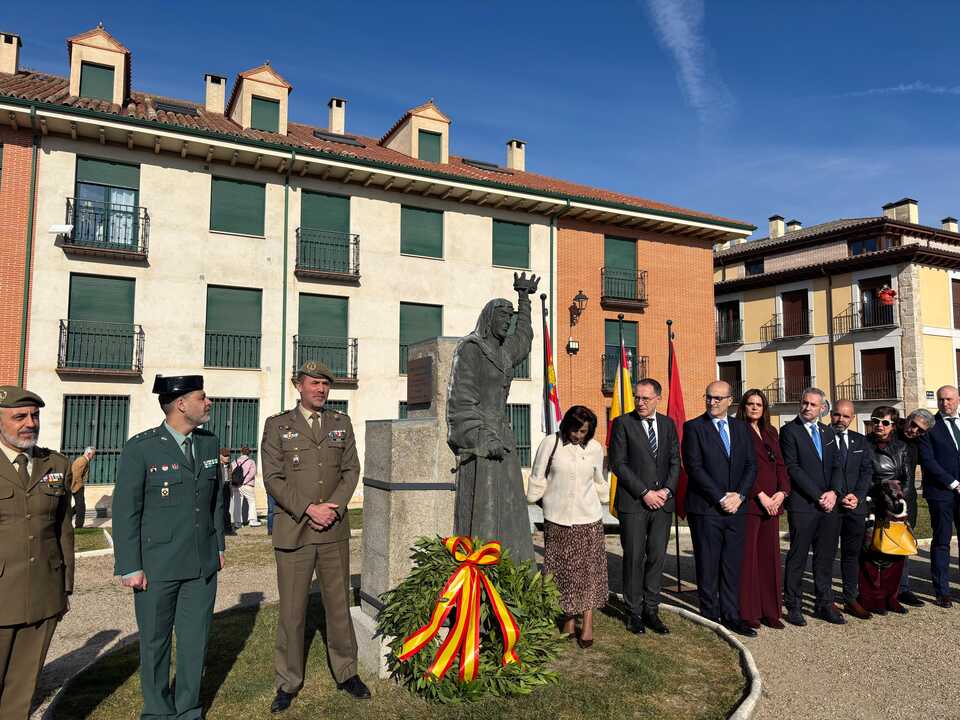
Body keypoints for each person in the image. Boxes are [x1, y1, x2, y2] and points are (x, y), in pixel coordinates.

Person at [113, 375, 225, 720]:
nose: (208, 402)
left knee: (195, 642)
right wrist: (130, 565)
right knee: (154, 643)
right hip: (157, 565)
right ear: (181, 404)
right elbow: (125, 510)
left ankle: (188, 709)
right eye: (202, 397)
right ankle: (158, 712)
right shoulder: (141, 448)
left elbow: (216, 501)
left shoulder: (208, 443)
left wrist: (218, 546)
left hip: (201, 564)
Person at [261, 361, 369, 712]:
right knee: (292, 612)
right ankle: (288, 682)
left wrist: (333, 507)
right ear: (298, 385)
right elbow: (273, 478)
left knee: (338, 607)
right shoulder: (278, 425)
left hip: (333, 529)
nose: (321, 389)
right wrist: (309, 508)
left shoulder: (341, 423)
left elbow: (351, 470)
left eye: (325, 384)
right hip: (295, 529)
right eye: (314, 383)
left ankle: (347, 673)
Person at [447, 272, 540, 565]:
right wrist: (481, 436)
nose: (507, 322)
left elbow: (523, 339)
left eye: (510, 318)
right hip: (483, 439)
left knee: (511, 508)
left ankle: (512, 573)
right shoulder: (472, 349)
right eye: (503, 316)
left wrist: (524, 300)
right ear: (489, 317)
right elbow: (462, 399)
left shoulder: (503, 352)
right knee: (485, 511)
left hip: (504, 436)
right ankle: (482, 573)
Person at [0, 386, 73, 720]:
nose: (30, 423)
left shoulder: (55, 464)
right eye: (19, 417)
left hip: (43, 592)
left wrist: (65, 587)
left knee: (21, 690)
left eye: (34, 416)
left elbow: (63, 529)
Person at [527, 406, 608, 648]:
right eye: (575, 430)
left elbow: (599, 480)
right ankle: (568, 620)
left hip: (589, 519)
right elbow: (538, 476)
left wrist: (603, 498)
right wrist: (541, 499)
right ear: (566, 426)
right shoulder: (550, 443)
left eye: (583, 432)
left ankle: (588, 623)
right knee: (563, 573)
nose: (578, 436)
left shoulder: (595, 448)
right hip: (557, 519)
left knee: (589, 572)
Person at [681, 380, 756, 637]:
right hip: (707, 509)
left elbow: (751, 465)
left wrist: (741, 496)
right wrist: (721, 497)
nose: (711, 402)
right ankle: (710, 616)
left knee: (732, 565)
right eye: (708, 397)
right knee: (708, 564)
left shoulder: (741, 428)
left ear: (729, 401)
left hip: (737, 508)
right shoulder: (694, 427)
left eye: (717, 398)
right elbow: (694, 467)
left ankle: (732, 615)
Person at [609, 378, 680, 635]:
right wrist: (645, 492)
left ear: (658, 398)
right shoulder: (622, 423)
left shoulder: (668, 424)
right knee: (634, 557)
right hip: (634, 503)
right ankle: (633, 612)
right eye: (637, 397)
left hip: (663, 504)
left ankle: (651, 609)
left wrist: (667, 491)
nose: (640, 402)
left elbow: (675, 461)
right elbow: (618, 464)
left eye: (646, 398)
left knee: (657, 558)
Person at [780, 387, 845, 626]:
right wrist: (819, 495)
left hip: (829, 505)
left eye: (813, 405)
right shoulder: (789, 431)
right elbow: (793, 468)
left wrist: (834, 493)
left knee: (825, 557)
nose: (807, 407)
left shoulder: (827, 431)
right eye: (804, 403)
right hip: (804, 505)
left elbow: (837, 465)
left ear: (822, 408)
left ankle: (824, 603)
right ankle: (793, 605)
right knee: (798, 556)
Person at [735, 389, 789, 630]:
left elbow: (781, 465)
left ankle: (770, 610)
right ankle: (750, 611)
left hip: (774, 503)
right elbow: (741, 467)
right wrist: (760, 495)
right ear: (743, 406)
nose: (755, 407)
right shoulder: (738, 430)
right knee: (749, 559)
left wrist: (782, 492)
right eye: (751, 403)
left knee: (770, 558)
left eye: (759, 404)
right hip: (752, 501)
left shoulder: (771, 432)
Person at [859, 406, 912, 614]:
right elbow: (860, 474)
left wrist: (896, 497)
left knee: (895, 553)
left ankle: (891, 597)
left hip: (894, 505)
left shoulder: (901, 447)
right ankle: (871, 599)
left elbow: (907, 479)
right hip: (871, 504)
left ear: (893, 426)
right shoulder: (863, 444)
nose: (879, 425)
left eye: (885, 422)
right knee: (870, 553)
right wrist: (875, 493)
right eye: (875, 421)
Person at [829, 400, 874, 620]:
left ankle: (850, 598)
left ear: (852, 418)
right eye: (837, 415)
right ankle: (826, 599)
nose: (841, 420)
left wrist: (857, 496)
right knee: (826, 555)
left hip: (855, 507)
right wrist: (838, 496)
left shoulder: (860, 440)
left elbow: (866, 471)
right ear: (831, 414)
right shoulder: (823, 438)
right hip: (830, 507)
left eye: (846, 416)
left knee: (851, 554)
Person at [918, 385, 960, 608]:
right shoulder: (929, 426)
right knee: (942, 541)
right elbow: (928, 461)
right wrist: (953, 483)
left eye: (949, 399)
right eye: (941, 399)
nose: (945, 403)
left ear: (958, 399)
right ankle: (942, 591)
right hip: (941, 493)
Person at [896, 408, 933, 606]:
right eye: (913, 425)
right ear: (908, 419)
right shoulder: (889, 432)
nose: (914, 430)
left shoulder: (920, 443)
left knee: (903, 547)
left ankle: (902, 589)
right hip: (883, 499)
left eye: (920, 430)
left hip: (908, 502)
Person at [230, 445, 261, 528]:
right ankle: (252, 521)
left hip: (236, 485)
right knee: (251, 501)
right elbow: (252, 474)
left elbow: (231, 473)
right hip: (247, 485)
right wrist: (244, 482)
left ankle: (237, 522)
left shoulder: (235, 461)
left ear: (241, 452)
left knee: (237, 503)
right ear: (249, 453)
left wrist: (236, 482)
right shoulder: (251, 462)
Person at [69, 446, 95, 528]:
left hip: (76, 485)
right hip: (77, 486)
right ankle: (79, 526)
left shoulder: (83, 460)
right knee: (81, 507)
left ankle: (67, 518)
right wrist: (80, 485)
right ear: (89, 453)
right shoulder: (83, 460)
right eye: (93, 454)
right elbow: (76, 475)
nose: (93, 456)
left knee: (78, 505)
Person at [219, 448, 236, 536]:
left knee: (226, 509)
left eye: (228, 456)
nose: (227, 457)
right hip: (219, 489)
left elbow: (230, 478)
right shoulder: (217, 465)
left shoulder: (229, 465)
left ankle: (227, 529)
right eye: (225, 456)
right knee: (220, 509)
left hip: (227, 488)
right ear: (220, 456)